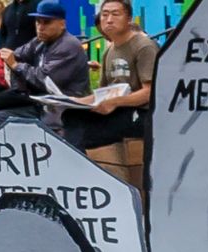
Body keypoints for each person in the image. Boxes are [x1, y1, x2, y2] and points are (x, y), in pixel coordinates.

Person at [62, 0, 156, 149]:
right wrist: (72, 101)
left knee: (84, 135)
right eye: (104, 15)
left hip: (142, 113)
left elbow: (149, 92)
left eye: (115, 14)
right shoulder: (108, 52)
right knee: (71, 115)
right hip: (117, 110)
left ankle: (78, 161)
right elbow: (102, 94)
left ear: (129, 19)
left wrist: (114, 102)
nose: (109, 20)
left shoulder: (144, 46)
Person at [0, 0, 88, 133]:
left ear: (62, 24)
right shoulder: (40, 41)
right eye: (38, 21)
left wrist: (16, 65)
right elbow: (18, 53)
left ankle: (16, 154)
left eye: (47, 22)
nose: (41, 27)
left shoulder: (68, 45)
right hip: (42, 103)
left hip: (63, 110)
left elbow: (46, 79)